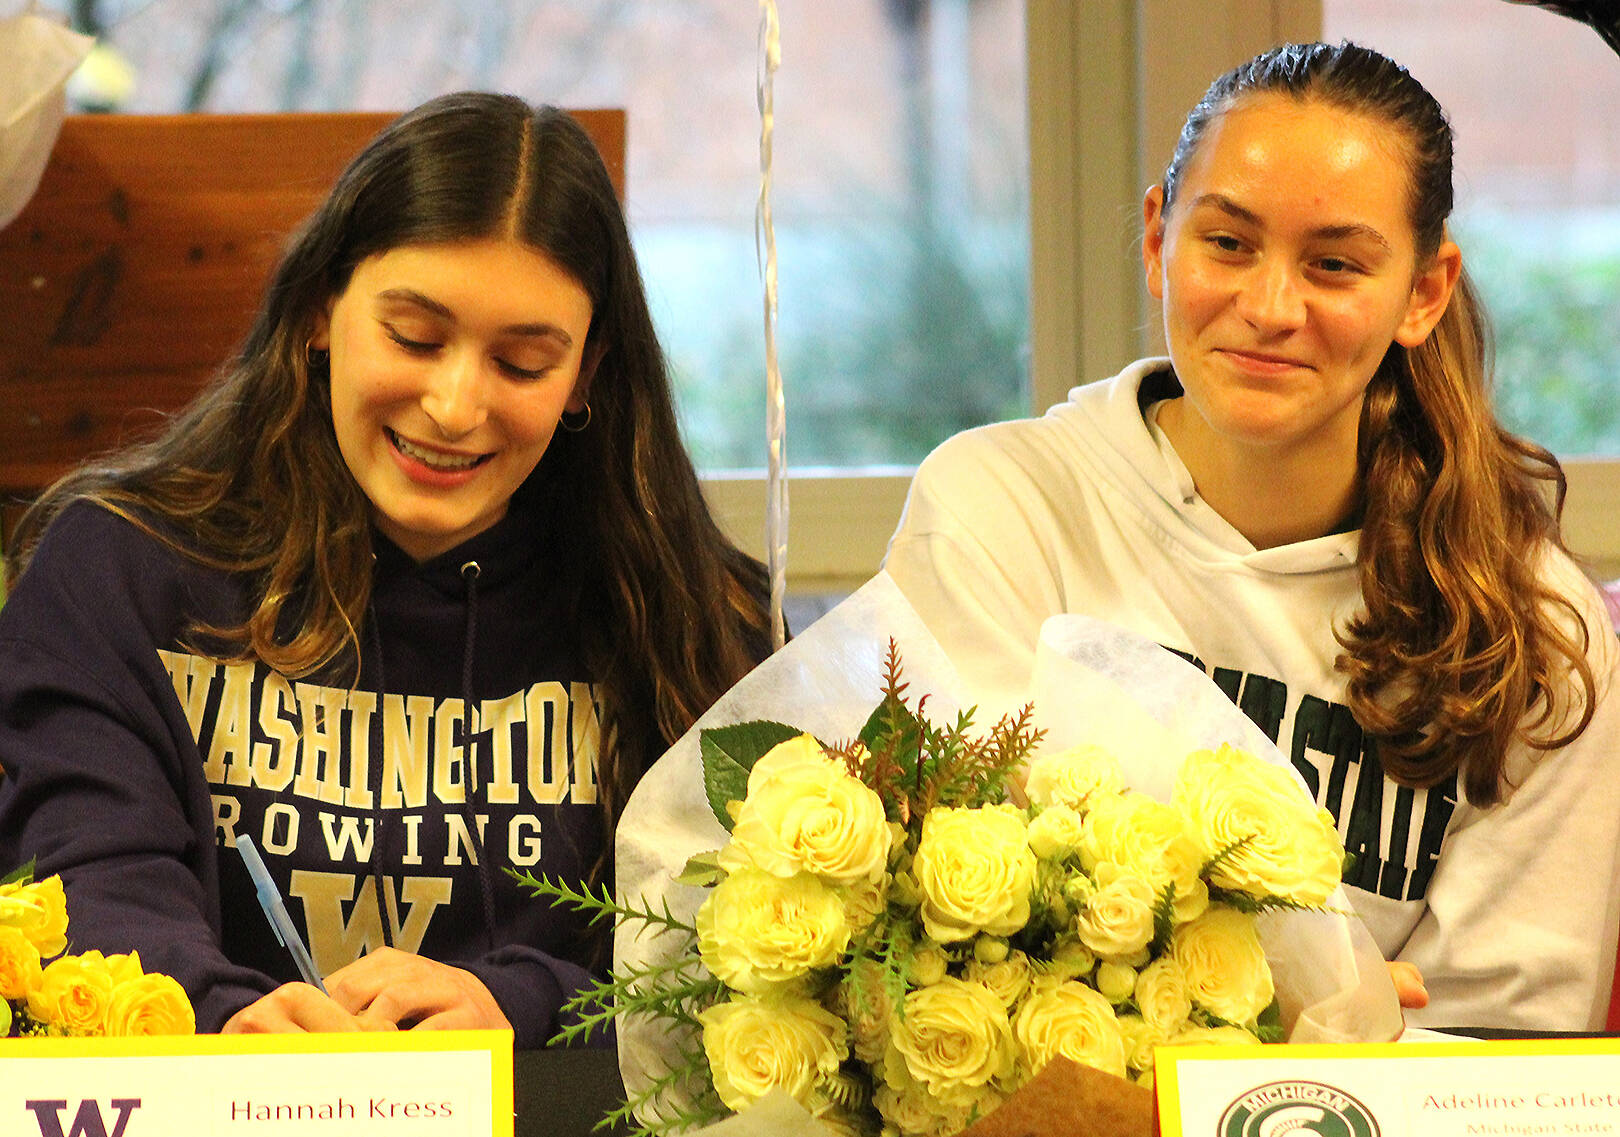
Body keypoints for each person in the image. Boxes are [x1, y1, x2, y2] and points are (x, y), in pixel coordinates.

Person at [0, 93, 772, 1044]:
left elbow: (744, 953)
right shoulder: (115, 569)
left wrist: (528, 1008)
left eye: (523, 363)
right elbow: (86, 885)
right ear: (322, 310)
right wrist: (215, 1017)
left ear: (587, 374)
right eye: (414, 338)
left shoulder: (694, 610)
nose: (454, 405)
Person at [884, 42, 1620, 1031]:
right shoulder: (1003, 507)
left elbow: (1494, 1058)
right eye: (1226, 244)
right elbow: (944, 943)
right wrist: (1325, 999)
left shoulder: (1529, 621)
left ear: (1425, 291)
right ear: (1157, 239)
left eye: (1335, 265)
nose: (1270, 308)